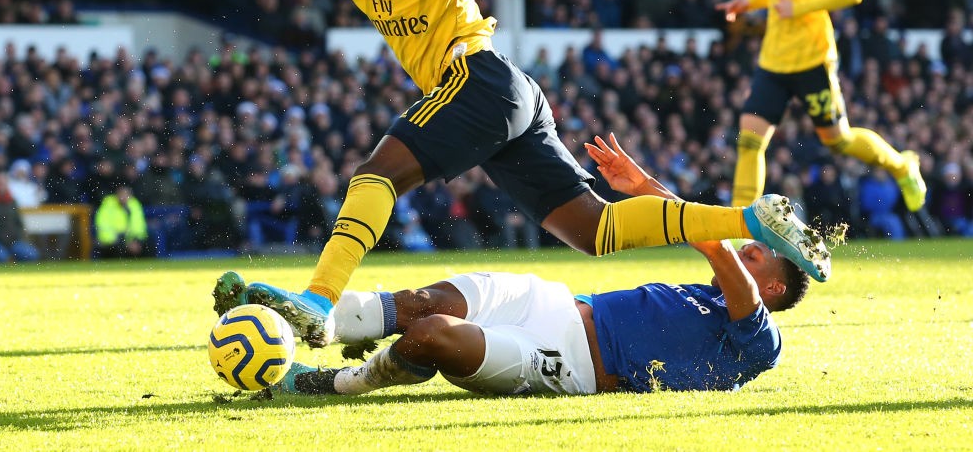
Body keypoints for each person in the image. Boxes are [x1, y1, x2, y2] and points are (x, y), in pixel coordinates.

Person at [143, 0, 828, 347]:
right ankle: (751, 217)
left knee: (375, 177)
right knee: (593, 231)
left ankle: (317, 301)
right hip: (508, 101)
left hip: (480, 81)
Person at [228, 135, 813, 397]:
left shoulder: (761, 341)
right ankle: (318, 320)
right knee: (424, 304)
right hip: (553, 304)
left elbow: (713, 244)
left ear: (770, 286)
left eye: (755, 252)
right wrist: (642, 186)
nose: (742, 248)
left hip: (573, 366)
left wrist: (736, 225)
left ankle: (339, 382)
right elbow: (697, 232)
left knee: (430, 336)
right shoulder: (713, 292)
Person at [716, 0, 926, 213]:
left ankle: (903, 166)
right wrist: (750, 2)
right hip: (774, 61)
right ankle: (739, 228)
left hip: (813, 59)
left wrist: (799, 7)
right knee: (749, 141)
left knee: (838, 140)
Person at [94, 183, 151, 258]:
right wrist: (124, 242)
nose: (123, 197)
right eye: (121, 195)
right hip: (113, 241)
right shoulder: (108, 204)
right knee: (118, 249)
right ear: (116, 195)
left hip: (130, 239)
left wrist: (135, 240)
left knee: (149, 243)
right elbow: (103, 227)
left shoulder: (134, 204)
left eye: (126, 195)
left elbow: (139, 226)